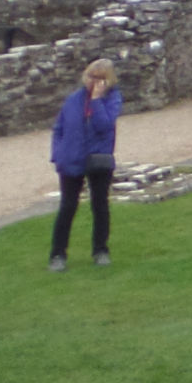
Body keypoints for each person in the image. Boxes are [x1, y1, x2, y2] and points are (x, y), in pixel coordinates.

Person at [47, 58, 122, 271]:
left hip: (98, 160)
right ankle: (57, 255)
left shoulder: (112, 99)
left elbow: (104, 125)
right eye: (91, 76)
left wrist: (97, 100)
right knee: (68, 207)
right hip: (71, 159)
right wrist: (58, 154)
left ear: (108, 81)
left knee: (100, 206)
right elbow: (58, 128)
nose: (93, 82)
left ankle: (100, 250)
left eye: (99, 78)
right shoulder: (73, 100)